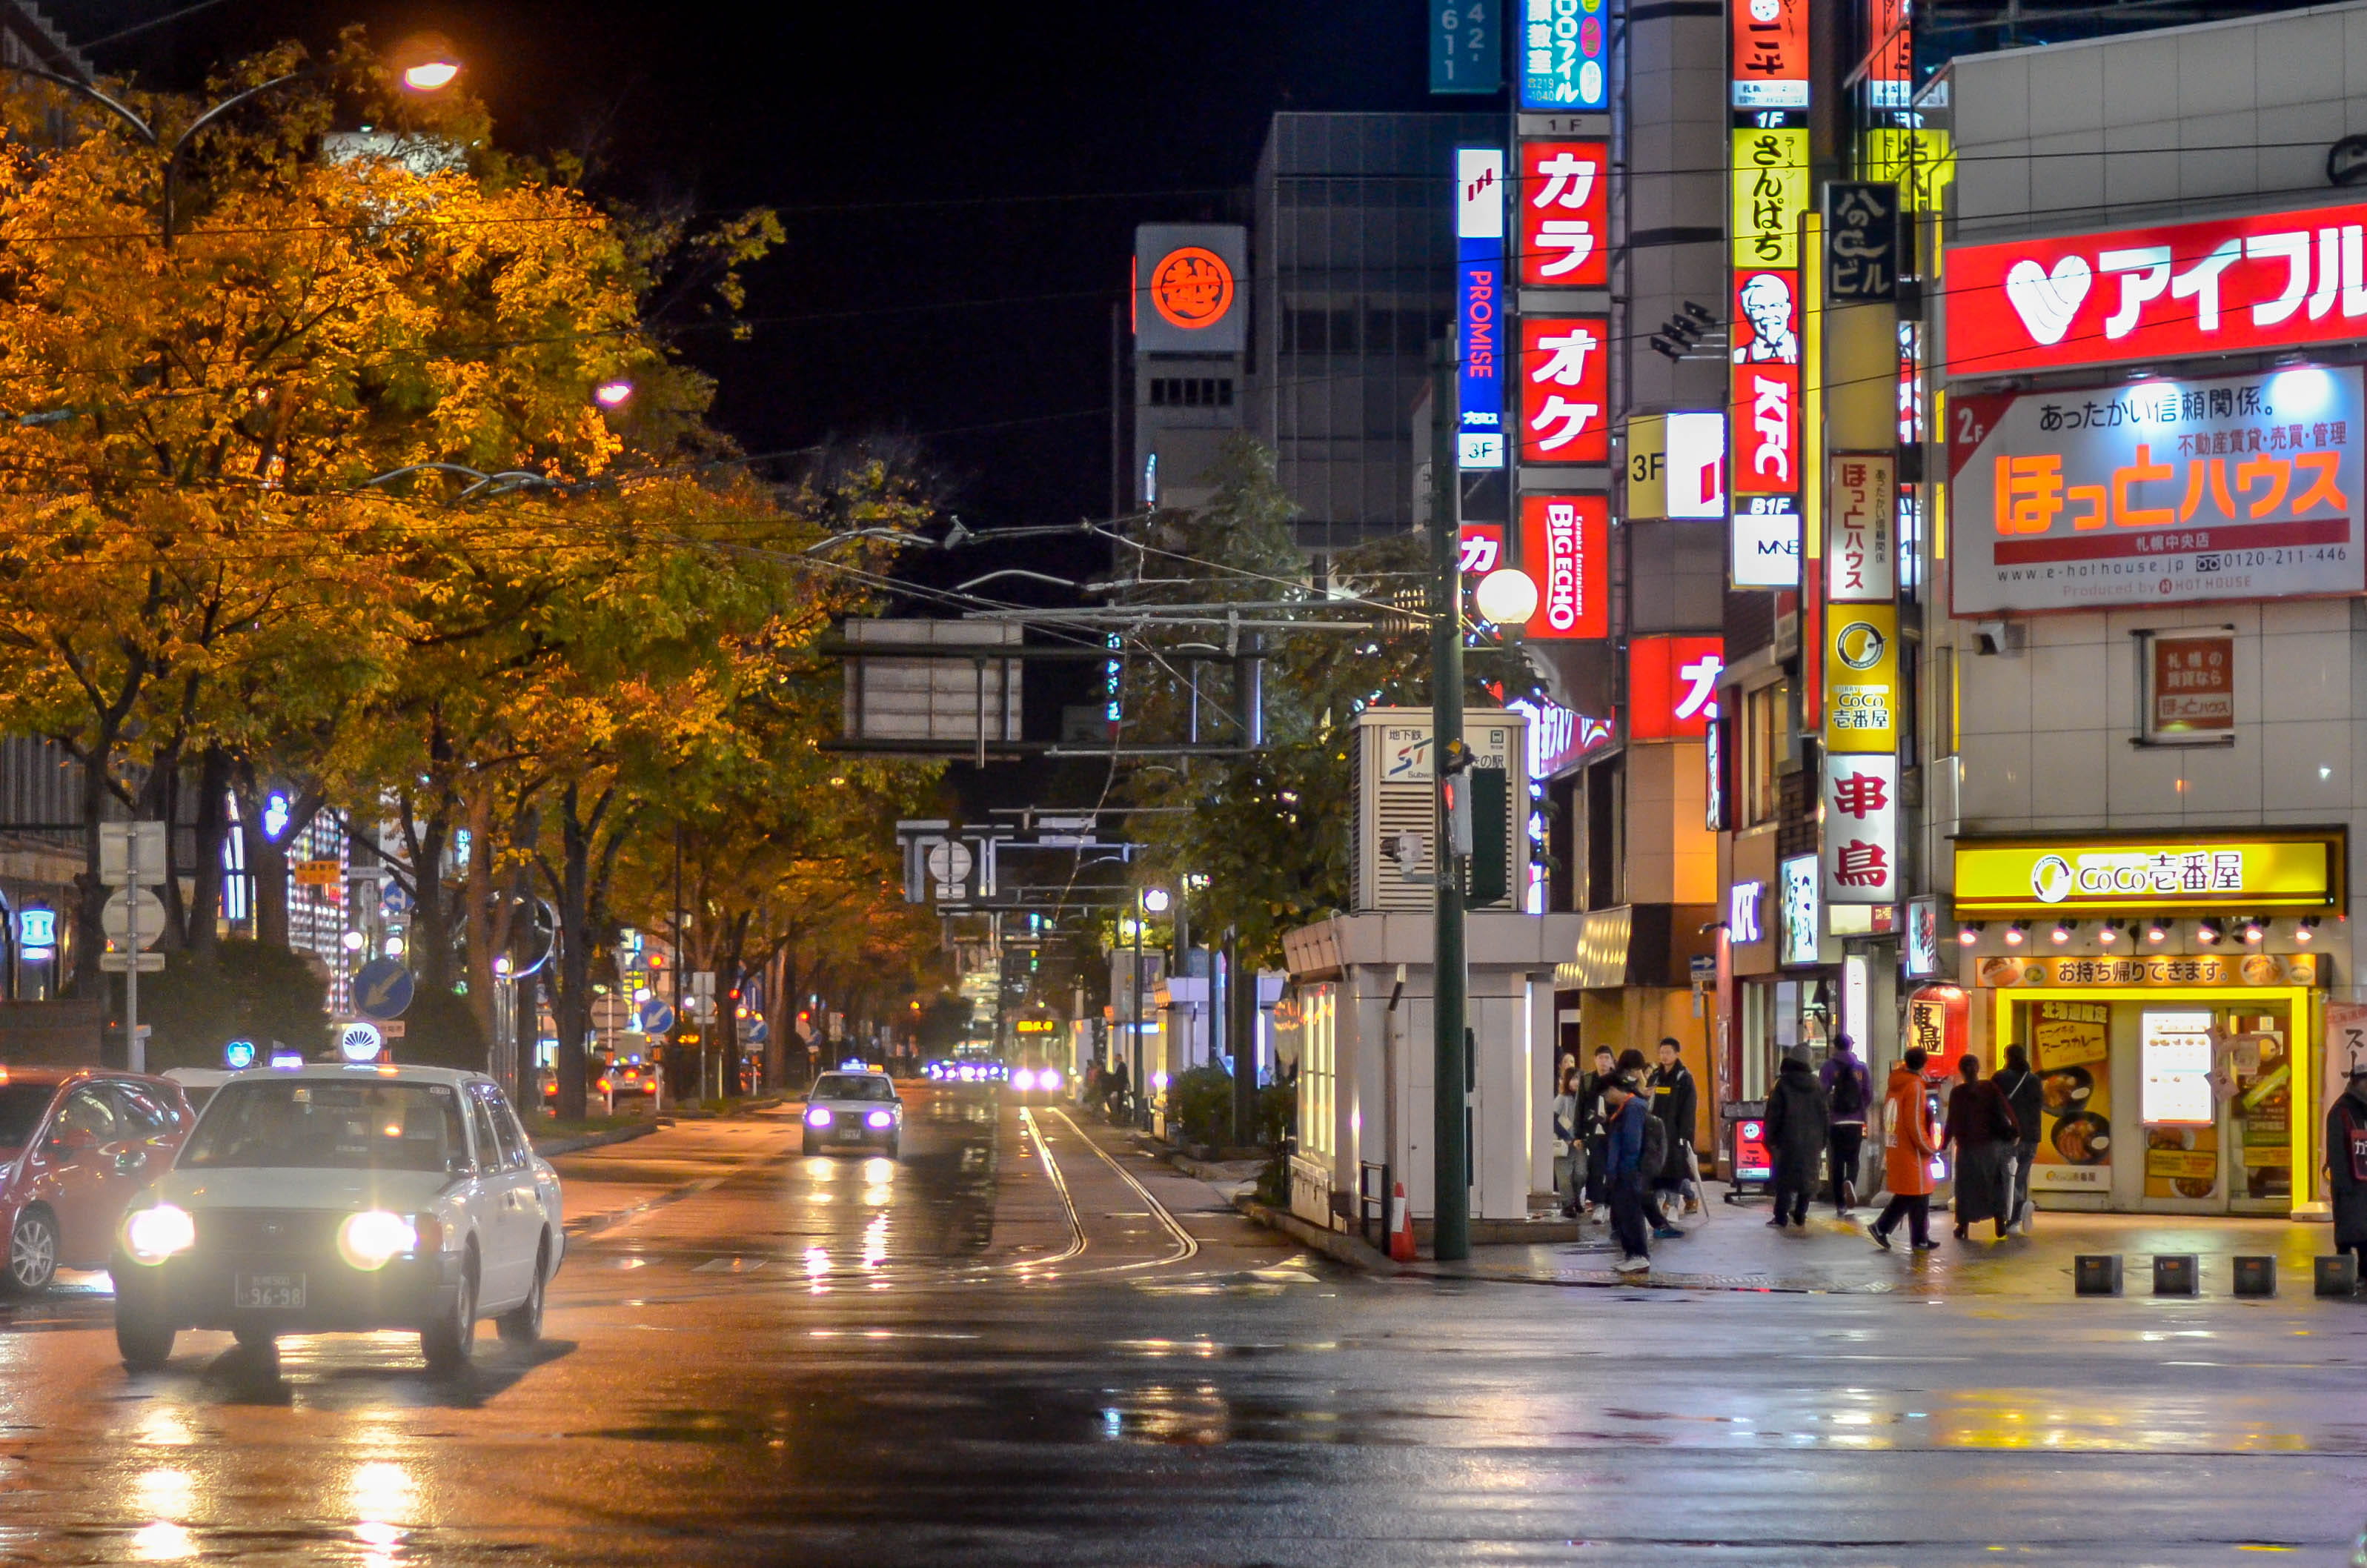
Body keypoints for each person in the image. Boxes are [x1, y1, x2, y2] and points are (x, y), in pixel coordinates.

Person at [1942, 1052, 2019, 1241]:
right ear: (1978, 1069)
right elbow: (2006, 1110)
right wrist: (2015, 1130)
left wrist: (1944, 1144)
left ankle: (1963, 1226)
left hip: (1967, 1148)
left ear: (1961, 1071)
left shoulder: (1957, 1093)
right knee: (1994, 1184)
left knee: (1966, 1188)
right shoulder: (1989, 1087)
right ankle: (1999, 1222)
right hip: (1990, 1147)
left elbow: (1951, 1121)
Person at [1870, 1046, 1941, 1251]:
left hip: (1897, 1145)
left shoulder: (1895, 1083)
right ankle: (1884, 1228)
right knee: (1916, 1192)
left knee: (1914, 1193)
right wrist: (1928, 1146)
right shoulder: (1915, 1086)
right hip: (1913, 1150)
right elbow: (1914, 1123)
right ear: (1924, 1063)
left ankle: (1918, 1237)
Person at [1763, 1046, 1830, 1229]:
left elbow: (1774, 1114)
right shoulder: (1817, 1085)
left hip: (1787, 1139)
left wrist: (1770, 1139)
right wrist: (1823, 1138)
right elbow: (1825, 1114)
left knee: (1785, 1179)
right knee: (1808, 1177)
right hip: (1813, 1140)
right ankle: (1801, 1213)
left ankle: (1781, 1216)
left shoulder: (1782, 1085)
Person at [1646, 1037, 1698, 1237]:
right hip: (1654, 1134)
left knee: (1675, 1171)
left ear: (1677, 1053)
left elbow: (1689, 1109)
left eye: (1668, 1052)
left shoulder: (1684, 1078)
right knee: (1656, 1172)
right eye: (1661, 1052)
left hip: (1675, 1134)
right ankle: (1658, 1211)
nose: (1664, 1056)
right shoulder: (1656, 1076)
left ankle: (1674, 1206)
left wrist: (1685, 1136)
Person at [1602, 1072, 1653, 1272]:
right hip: (1621, 1171)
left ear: (1615, 1089)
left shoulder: (1633, 1108)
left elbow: (1632, 1143)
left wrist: (1625, 1170)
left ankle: (1639, 1254)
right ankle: (1631, 1254)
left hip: (1628, 1171)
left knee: (1631, 1213)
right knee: (1623, 1213)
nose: (1605, 1097)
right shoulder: (1625, 1108)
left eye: (1606, 1092)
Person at [1820, 1032, 1874, 1214]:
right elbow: (1868, 1095)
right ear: (1851, 1046)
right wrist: (1859, 1109)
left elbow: (1822, 1092)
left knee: (1836, 1162)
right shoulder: (1861, 1068)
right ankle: (1850, 1180)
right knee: (1853, 1159)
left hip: (1835, 1121)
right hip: (1856, 1121)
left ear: (1835, 1046)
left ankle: (1840, 1204)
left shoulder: (1828, 1067)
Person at [1995, 1045, 2044, 1232]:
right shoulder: (2034, 1080)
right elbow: (2038, 1107)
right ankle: (2020, 1209)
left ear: (2006, 1056)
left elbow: (1995, 1106)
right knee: (2021, 1178)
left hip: (2009, 1136)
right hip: (2032, 1137)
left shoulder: (2000, 1078)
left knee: (2007, 1178)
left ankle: (2015, 1217)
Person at [2327, 1067, 2367, 1279]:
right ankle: (2340, 1277)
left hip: (2364, 1182)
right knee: (2347, 1233)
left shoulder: (2362, 1108)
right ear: (2358, 1083)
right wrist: (2343, 1185)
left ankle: (2362, 1275)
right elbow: (2336, 1151)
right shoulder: (2341, 1110)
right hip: (2350, 1183)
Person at [1579, 1046, 1617, 1217]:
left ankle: (1610, 1202)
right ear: (1595, 1060)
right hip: (1593, 1131)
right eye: (1600, 1058)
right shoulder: (1587, 1080)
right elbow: (1579, 1108)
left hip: (1614, 1130)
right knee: (1596, 1167)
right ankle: (1598, 1203)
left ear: (1612, 1060)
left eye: (1606, 1057)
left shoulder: (1617, 1080)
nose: (1603, 1061)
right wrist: (1578, 1134)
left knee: (1612, 1168)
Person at [1552, 1065, 1583, 1217]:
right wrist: (1567, 1137)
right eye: (1573, 1078)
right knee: (1564, 1176)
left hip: (1581, 1143)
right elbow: (1552, 1120)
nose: (1576, 1082)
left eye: (1579, 1078)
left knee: (1581, 1174)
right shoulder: (1562, 1099)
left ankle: (1576, 1198)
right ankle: (1568, 1204)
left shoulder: (1584, 1099)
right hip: (1564, 1144)